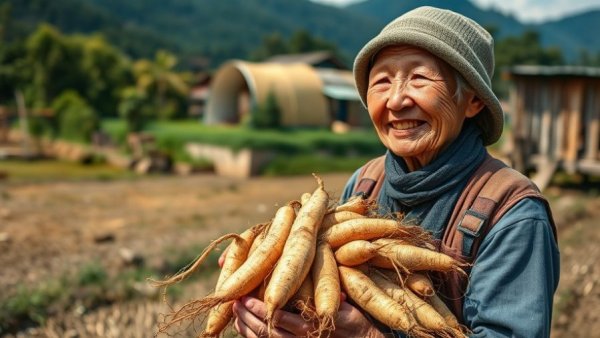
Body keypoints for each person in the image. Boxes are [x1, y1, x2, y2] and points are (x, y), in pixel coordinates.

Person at [232, 6, 559, 338]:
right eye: (382, 82)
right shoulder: (363, 185)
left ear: (473, 101)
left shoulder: (512, 213)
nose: (396, 100)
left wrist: (369, 335)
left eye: (418, 78)